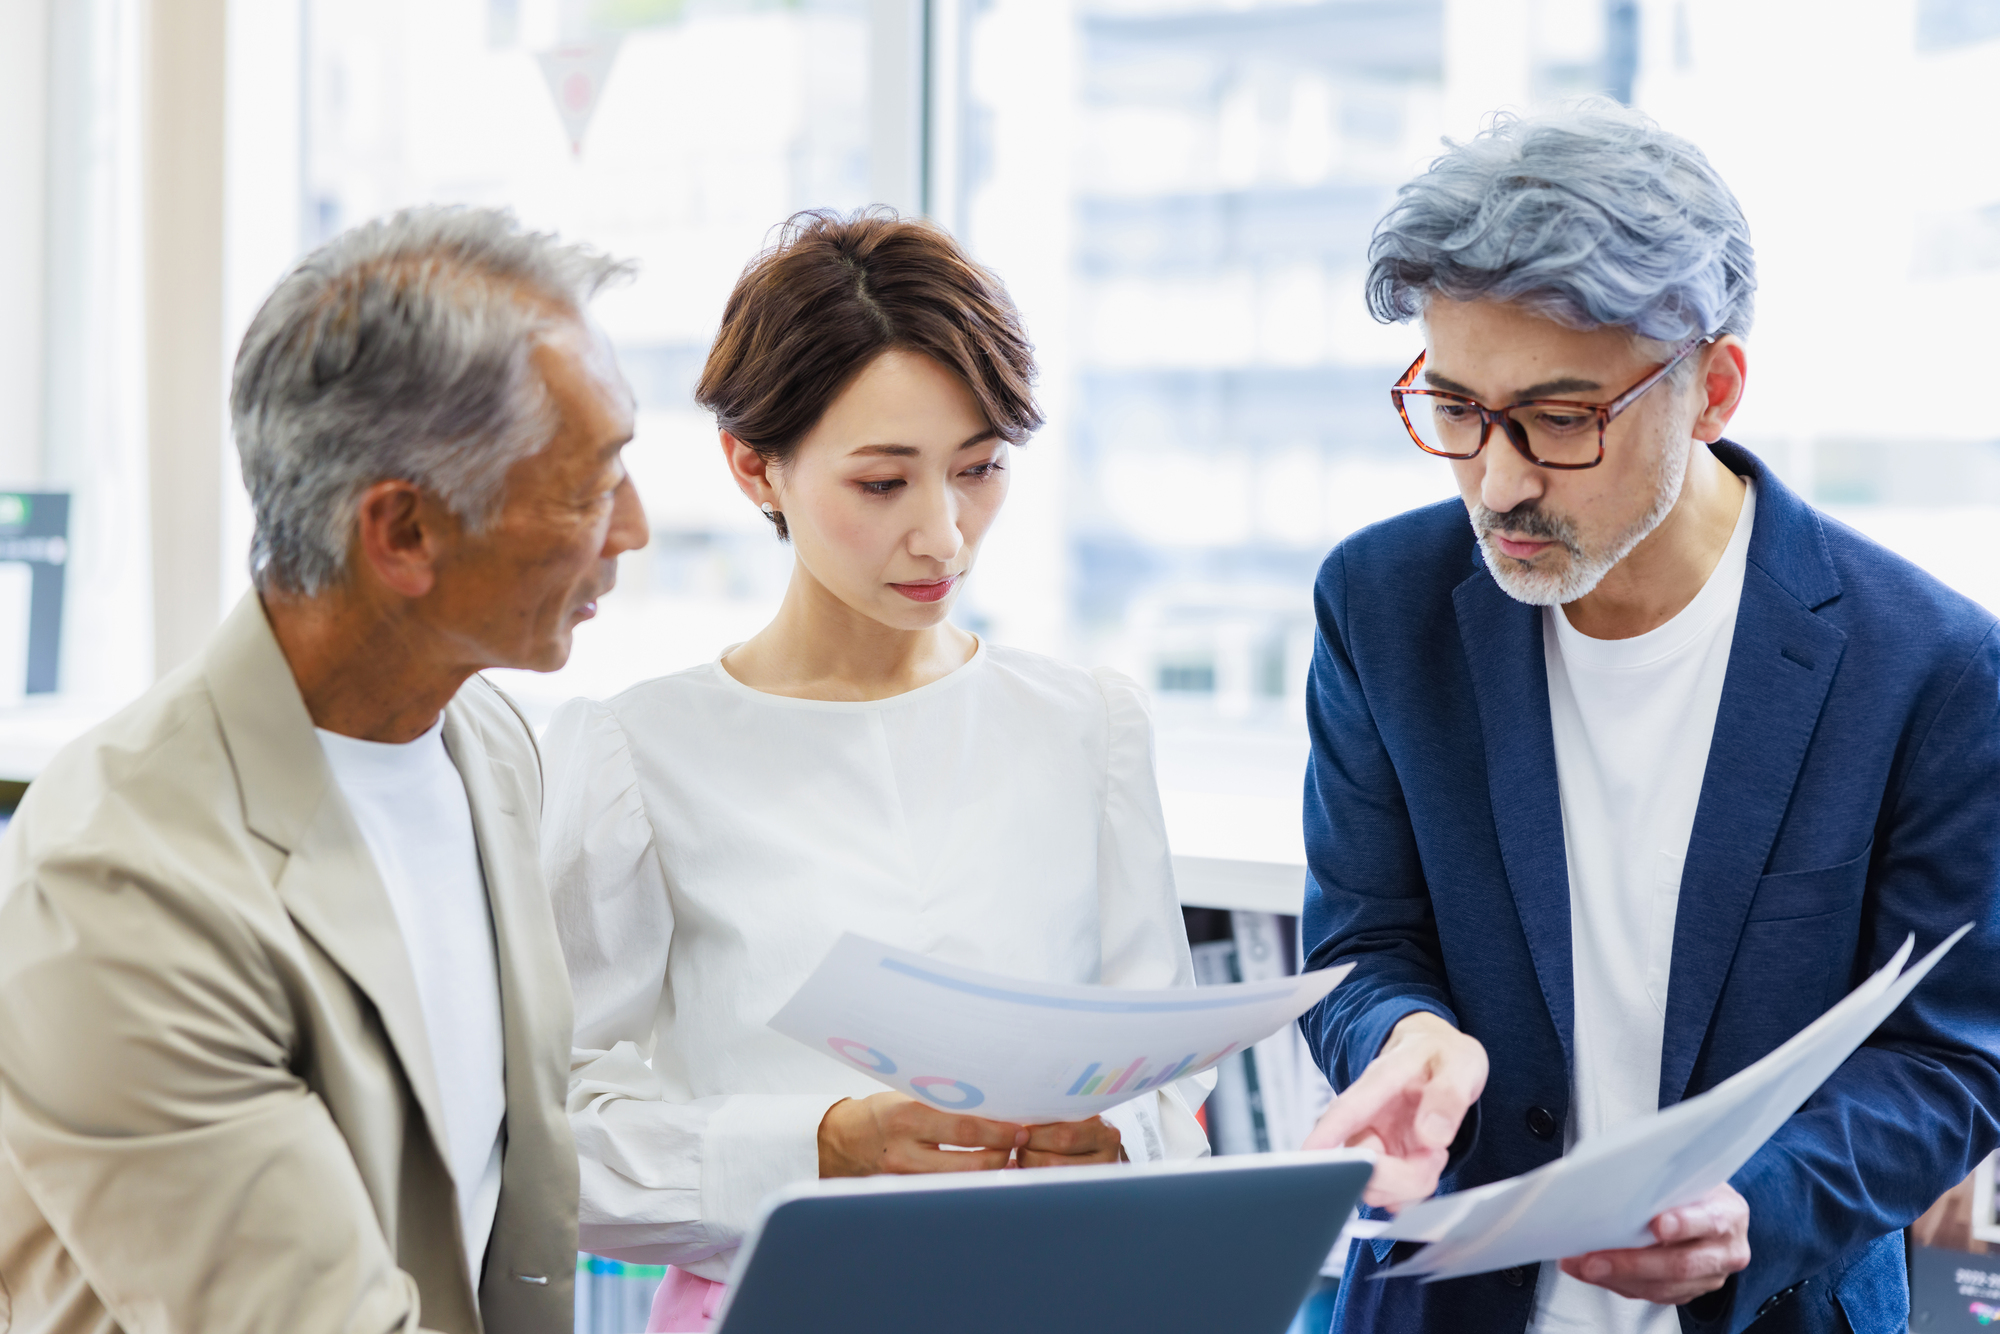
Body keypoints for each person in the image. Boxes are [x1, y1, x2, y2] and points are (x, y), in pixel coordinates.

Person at [1296, 101, 2000, 1334]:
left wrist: (1755, 1200)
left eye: (1560, 419)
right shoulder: (1378, 604)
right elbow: (1361, 942)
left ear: (1712, 386)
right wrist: (1403, 1036)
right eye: (1453, 407)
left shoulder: (1927, 663)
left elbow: (1954, 1057)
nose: (1496, 479)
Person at [541, 209, 1213, 1332]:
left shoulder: (1088, 724)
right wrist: (821, 1143)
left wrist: (1114, 1135)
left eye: (979, 469)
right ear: (754, 465)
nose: (944, 535)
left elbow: (1166, 1077)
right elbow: (558, 1137)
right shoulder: (636, 751)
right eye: (881, 482)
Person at [0, 205, 649, 1333]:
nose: (631, 530)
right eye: (590, 490)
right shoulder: (119, 885)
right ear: (401, 532)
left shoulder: (484, 741)